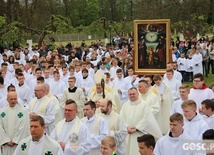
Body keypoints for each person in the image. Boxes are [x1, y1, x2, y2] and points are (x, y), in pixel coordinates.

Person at [120, 87, 162, 155]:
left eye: (134, 94)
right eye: (130, 94)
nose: (132, 95)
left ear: (138, 94)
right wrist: (126, 127)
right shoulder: (125, 105)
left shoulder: (144, 104)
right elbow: (121, 118)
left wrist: (137, 128)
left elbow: (147, 118)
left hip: (140, 134)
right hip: (128, 134)